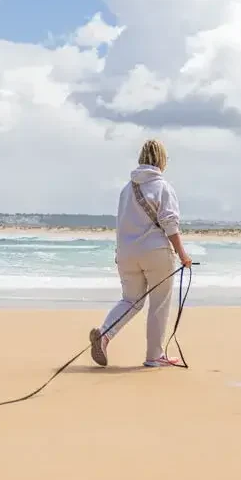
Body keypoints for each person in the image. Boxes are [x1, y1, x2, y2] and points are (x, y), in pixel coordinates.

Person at [90, 138, 192, 368]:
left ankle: (104, 334)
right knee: (159, 303)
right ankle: (154, 356)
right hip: (155, 251)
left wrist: (121, 252)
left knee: (130, 300)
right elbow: (170, 223)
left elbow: (121, 223)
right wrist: (183, 255)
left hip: (126, 253)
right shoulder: (163, 187)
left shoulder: (127, 189)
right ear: (162, 160)